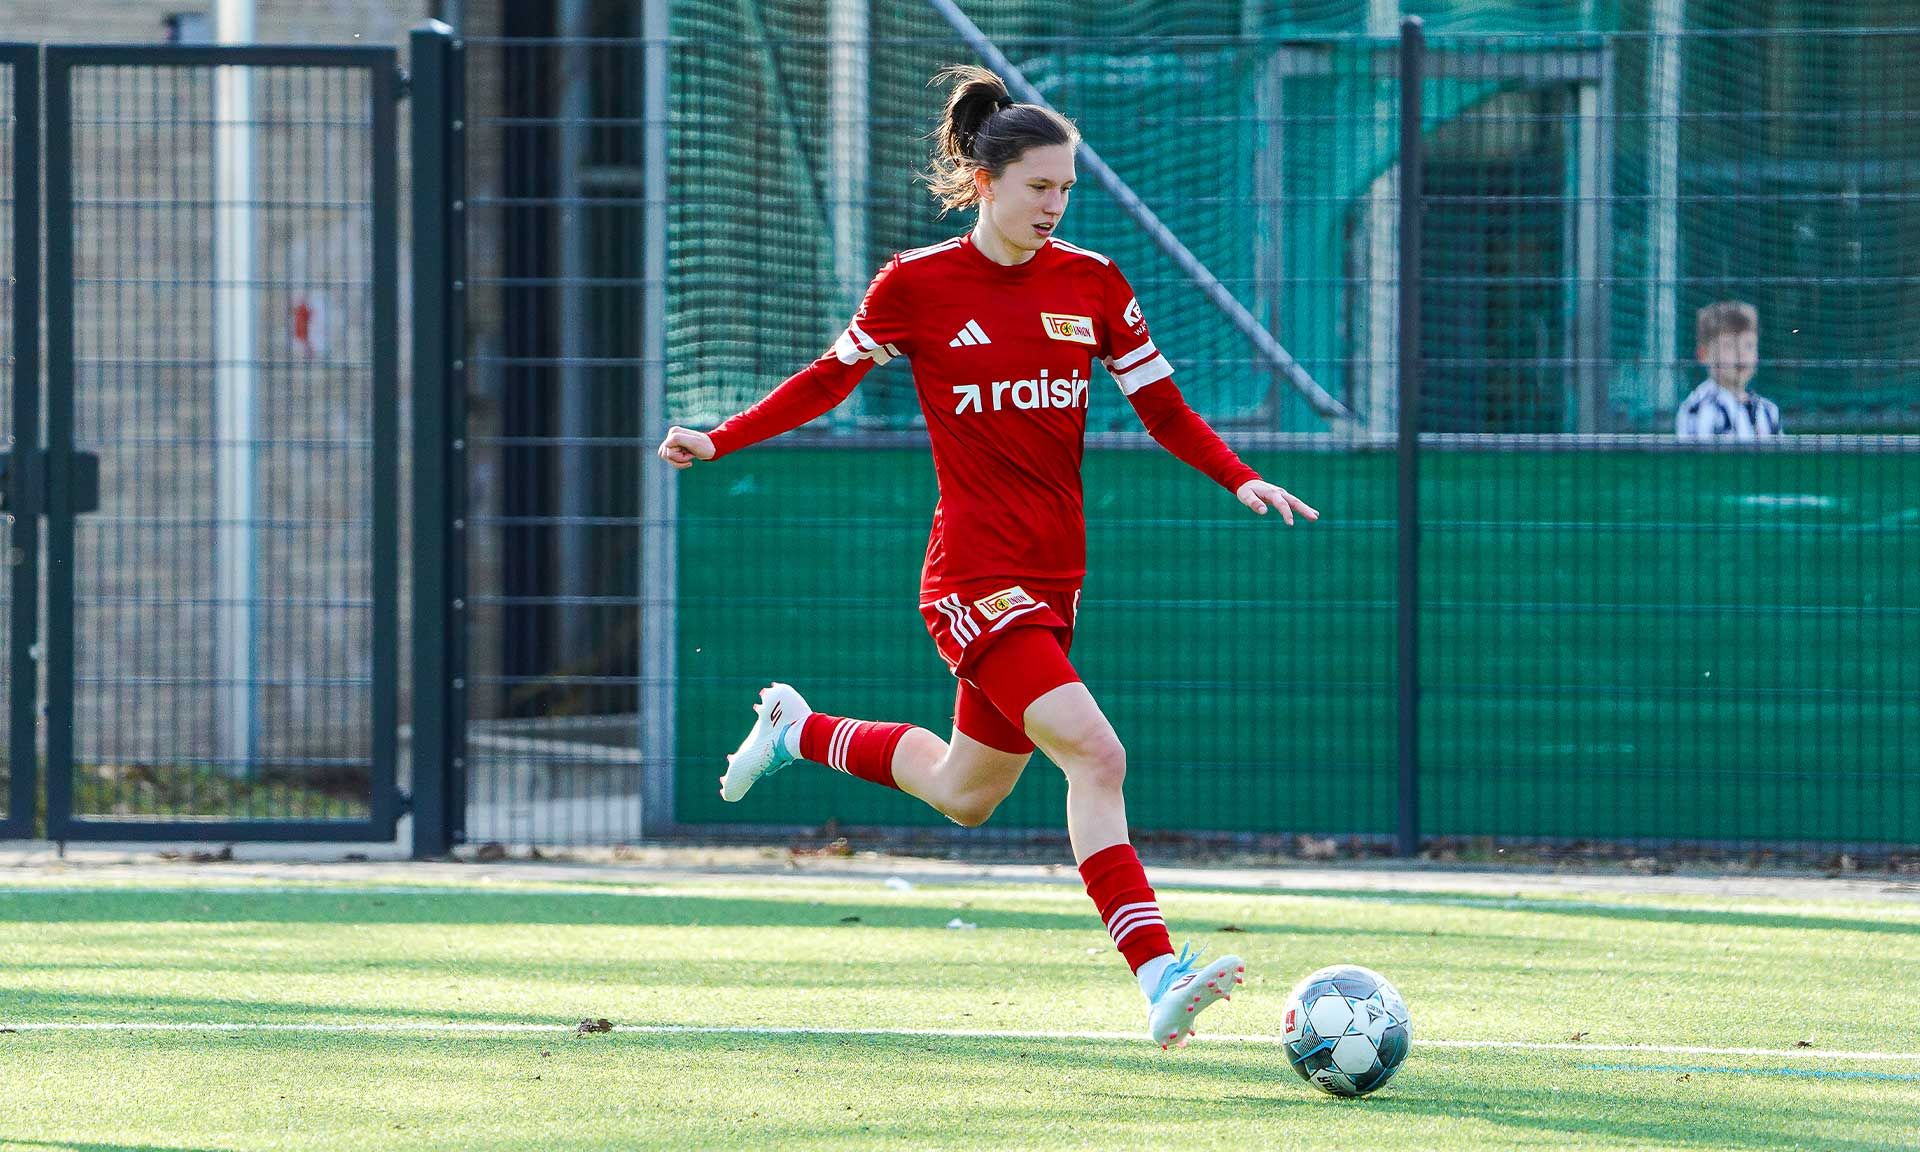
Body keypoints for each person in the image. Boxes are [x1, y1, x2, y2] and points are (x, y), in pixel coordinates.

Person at [655, 65, 1318, 1050]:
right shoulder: (916, 286)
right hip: (970, 577)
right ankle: (1158, 973)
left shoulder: (1091, 285)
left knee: (966, 793)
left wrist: (1237, 476)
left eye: (1066, 189)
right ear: (986, 179)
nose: (1055, 205)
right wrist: (722, 438)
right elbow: (823, 384)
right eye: (1039, 186)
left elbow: (1165, 409)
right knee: (1097, 753)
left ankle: (799, 731)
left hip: (1055, 580)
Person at [1676, 300, 1781, 440]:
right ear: (1703, 354)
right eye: (1729, 346)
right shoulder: (1697, 409)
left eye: (1749, 345)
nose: (1741, 354)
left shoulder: (1768, 411)